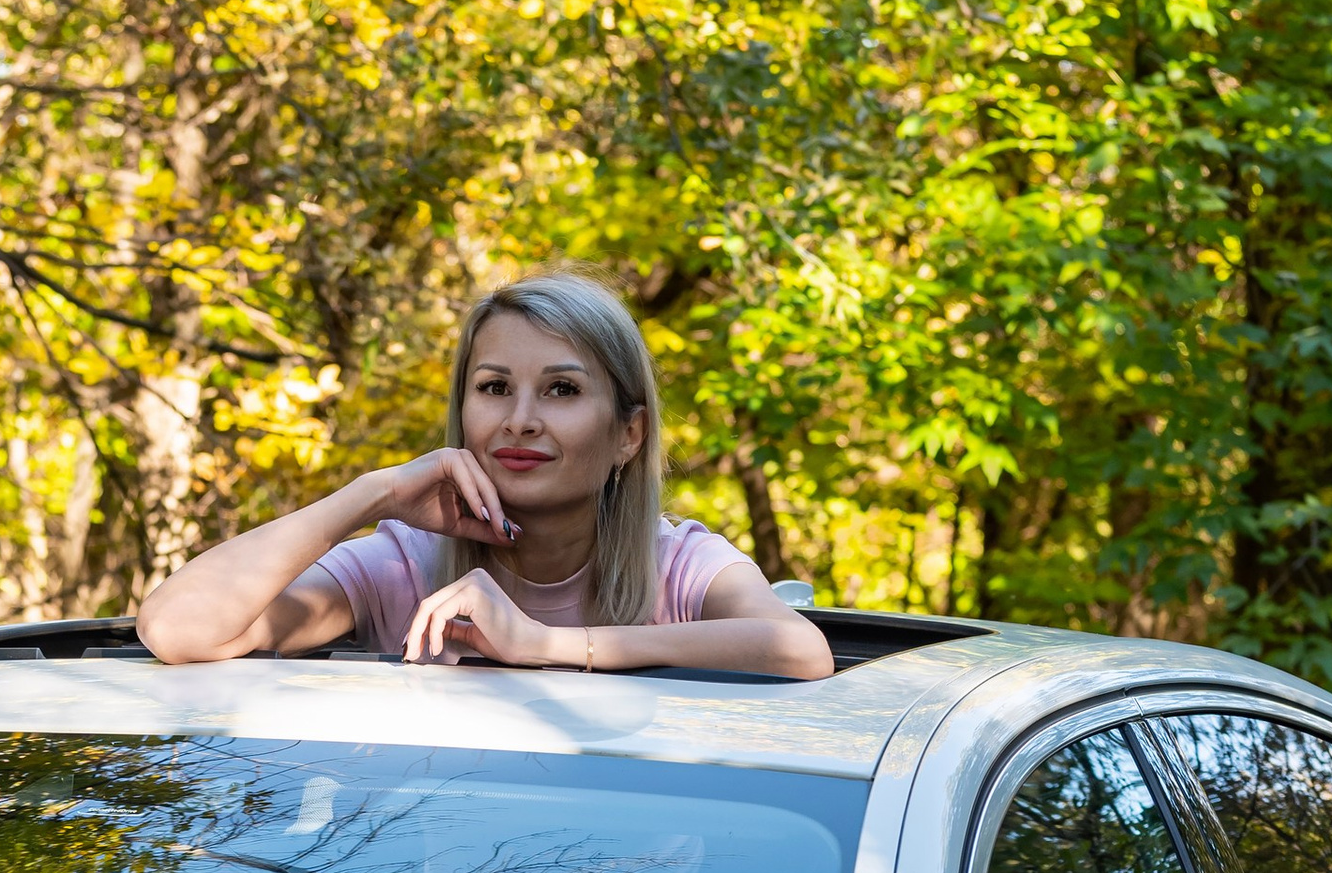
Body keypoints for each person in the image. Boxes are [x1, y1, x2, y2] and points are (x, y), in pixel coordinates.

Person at [136, 271, 834, 679]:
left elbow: (798, 648)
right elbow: (179, 631)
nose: (520, 420)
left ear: (629, 433)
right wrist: (369, 493)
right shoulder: (404, 566)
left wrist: (548, 645)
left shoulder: (677, 565)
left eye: (561, 390)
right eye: (495, 388)